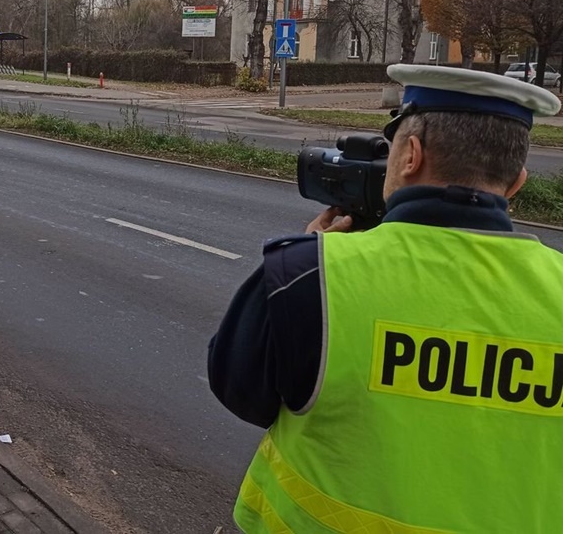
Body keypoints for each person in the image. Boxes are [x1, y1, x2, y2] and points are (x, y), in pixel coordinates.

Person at [208, 64, 563, 533]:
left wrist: (317, 253)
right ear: (517, 182)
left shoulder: (310, 275)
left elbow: (240, 391)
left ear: (410, 155)